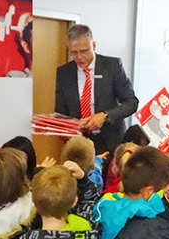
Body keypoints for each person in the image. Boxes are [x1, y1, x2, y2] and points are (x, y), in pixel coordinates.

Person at [55, 24, 139, 154]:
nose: (79, 57)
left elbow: (131, 103)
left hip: (110, 141)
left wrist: (105, 116)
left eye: (84, 51)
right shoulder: (64, 72)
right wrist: (70, 128)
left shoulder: (112, 66)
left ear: (93, 46)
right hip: (79, 144)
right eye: (74, 53)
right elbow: (60, 113)